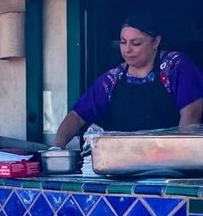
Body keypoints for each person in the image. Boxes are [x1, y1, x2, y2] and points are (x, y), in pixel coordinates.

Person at [54, 11, 203, 148]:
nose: (127, 50)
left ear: (156, 42)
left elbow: (190, 120)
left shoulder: (176, 66)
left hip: (172, 160)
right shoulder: (113, 78)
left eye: (136, 43)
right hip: (126, 162)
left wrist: (179, 158)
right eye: (123, 42)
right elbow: (76, 117)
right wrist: (56, 148)